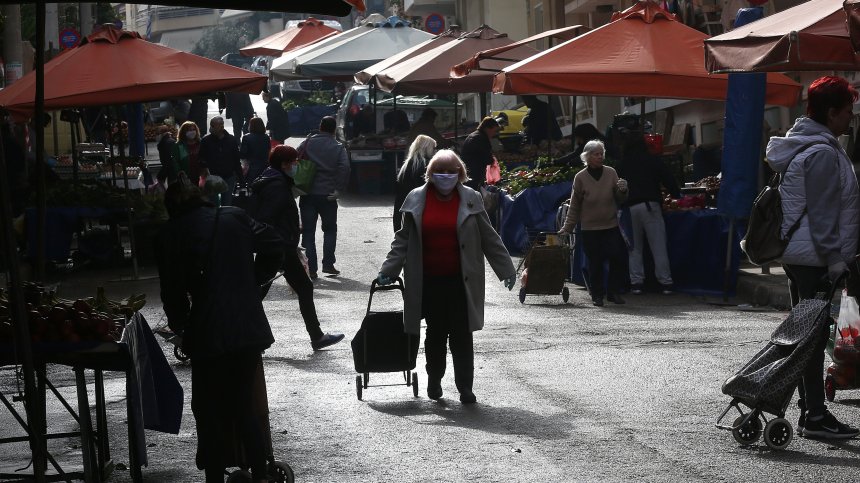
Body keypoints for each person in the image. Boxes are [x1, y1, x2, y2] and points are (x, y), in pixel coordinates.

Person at [155, 175, 284, 483]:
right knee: (242, 403)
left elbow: (171, 291)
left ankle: (214, 475)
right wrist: (254, 281)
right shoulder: (234, 217)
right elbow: (275, 243)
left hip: (206, 331)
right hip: (247, 327)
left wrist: (181, 326)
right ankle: (261, 473)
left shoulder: (170, 233)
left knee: (207, 406)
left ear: (171, 207)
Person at [376, 149, 516, 403]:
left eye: (452, 171)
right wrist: (389, 269)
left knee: (462, 335)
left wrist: (506, 268)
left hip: (461, 281)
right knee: (436, 334)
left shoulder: (471, 198)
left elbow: (489, 237)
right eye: (440, 171)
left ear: (460, 173)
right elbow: (402, 240)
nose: (446, 176)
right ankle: (434, 381)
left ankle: (465, 386)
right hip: (429, 281)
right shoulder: (416, 199)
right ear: (430, 174)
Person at [765, 75, 860, 439]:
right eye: (847, 111)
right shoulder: (820, 152)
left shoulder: (811, 145)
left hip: (803, 254)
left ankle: (811, 412)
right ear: (831, 112)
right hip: (813, 257)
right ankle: (815, 416)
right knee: (812, 338)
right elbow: (821, 215)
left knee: (807, 336)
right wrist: (835, 258)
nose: (851, 118)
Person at [251, 145, 345, 351]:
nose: (296, 166)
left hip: (280, 246)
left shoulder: (275, 179)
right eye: (294, 162)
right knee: (256, 293)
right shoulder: (276, 184)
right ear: (284, 164)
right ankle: (244, 334)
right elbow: (267, 218)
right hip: (279, 248)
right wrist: (285, 237)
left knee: (270, 291)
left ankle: (316, 336)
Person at [558, 140, 629, 307]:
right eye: (596, 154)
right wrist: (566, 228)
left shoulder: (611, 173)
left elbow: (620, 198)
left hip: (610, 225)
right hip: (590, 228)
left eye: (601, 153)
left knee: (617, 258)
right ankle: (597, 294)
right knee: (595, 262)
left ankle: (613, 292)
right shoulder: (580, 177)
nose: (600, 157)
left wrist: (623, 189)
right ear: (587, 157)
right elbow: (574, 206)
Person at [615, 135, 680, 295]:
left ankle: (636, 283)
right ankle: (666, 282)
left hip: (629, 208)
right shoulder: (652, 160)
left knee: (634, 248)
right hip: (650, 206)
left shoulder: (621, 164)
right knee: (658, 246)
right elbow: (669, 180)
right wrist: (676, 195)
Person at [298, 116, 350, 279]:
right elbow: (345, 167)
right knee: (329, 230)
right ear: (334, 130)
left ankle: (311, 269)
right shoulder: (338, 147)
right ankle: (328, 264)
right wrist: (338, 188)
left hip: (308, 194)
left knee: (308, 232)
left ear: (320, 127)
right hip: (328, 195)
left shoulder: (306, 143)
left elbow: (294, 160)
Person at [394, 135, 436, 232]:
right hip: (416, 209)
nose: (435, 151)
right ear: (427, 148)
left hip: (403, 207)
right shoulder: (425, 165)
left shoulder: (408, 163)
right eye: (433, 148)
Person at [199, 116, 243, 206]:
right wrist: (205, 166)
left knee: (227, 203)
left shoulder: (231, 140)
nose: (221, 127)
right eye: (218, 125)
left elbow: (236, 159)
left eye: (222, 124)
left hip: (229, 176)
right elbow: (201, 157)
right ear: (212, 127)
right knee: (213, 203)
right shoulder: (206, 140)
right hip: (213, 177)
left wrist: (240, 177)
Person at [460, 116, 500, 190]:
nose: (494, 134)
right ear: (487, 128)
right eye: (494, 131)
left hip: (467, 171)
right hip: (474, 173)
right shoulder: (481, 139)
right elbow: (487, 158)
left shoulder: (474, 135)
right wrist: (493, 160)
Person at [240, 117, 271, 182]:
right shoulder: (266, 137)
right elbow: (268, 150)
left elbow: (243, 154)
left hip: (251, 166)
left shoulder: (246, 137)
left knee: (252, 185)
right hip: (265, 165)